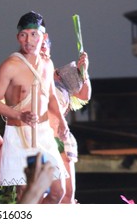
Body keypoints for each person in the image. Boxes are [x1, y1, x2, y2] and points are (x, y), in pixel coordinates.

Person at [0, 11, 69, 204]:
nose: (28, 40)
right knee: (27, 196)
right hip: (19, 135)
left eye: (34, 34)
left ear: (44, 37)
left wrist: (62, 122)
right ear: (18, 37)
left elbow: (50, 96)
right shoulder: (10, 65)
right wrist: (19, 115)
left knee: (58, 192)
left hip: (43, 133)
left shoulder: (47, 64)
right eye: (23, 35)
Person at [41, 37, 91, 204]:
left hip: (61, 138)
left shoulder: (61, 75)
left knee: (67, 195)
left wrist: (84, 72)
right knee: (42, 194)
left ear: (49, 50)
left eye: (44, 46)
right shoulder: (23, 74)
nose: (40, 50)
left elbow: (84, 95)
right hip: (38, 139)